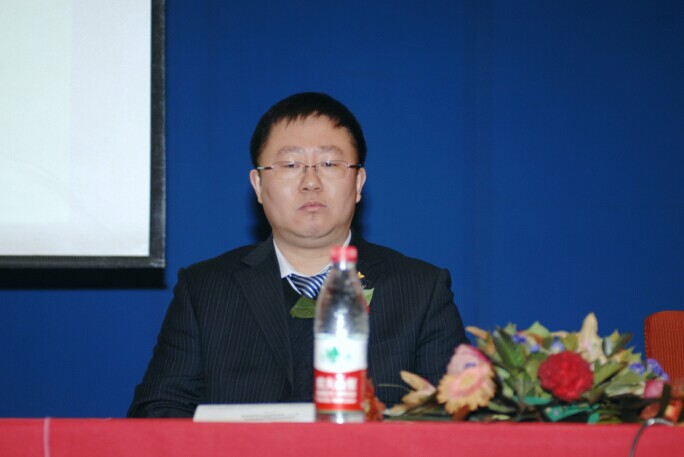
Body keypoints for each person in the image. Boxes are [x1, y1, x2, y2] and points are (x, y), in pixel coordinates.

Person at [128, 92, 467, 417]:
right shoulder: (205, 290)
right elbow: (157, 413)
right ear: (258, 186)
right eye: (290, 164)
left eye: (329, 163)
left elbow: (455, 421)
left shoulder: (421, 290)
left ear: (358, 183)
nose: (310, 182)